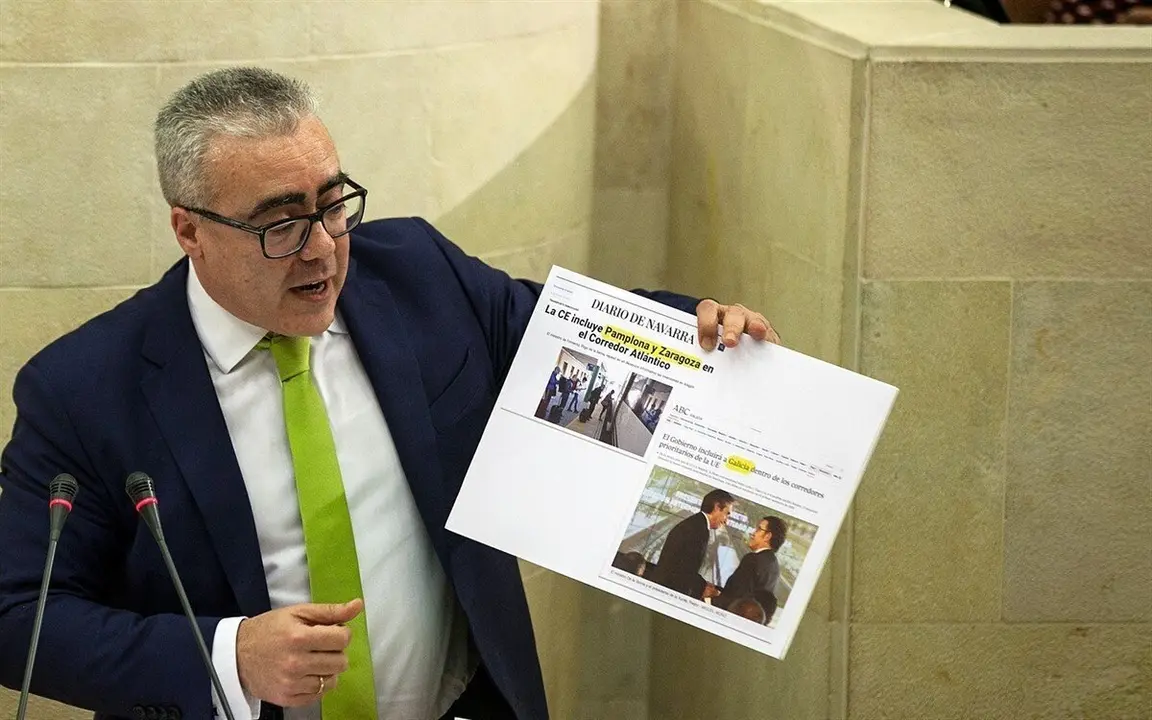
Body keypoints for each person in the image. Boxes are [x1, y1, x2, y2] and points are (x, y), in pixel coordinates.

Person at [0, 67, 780, 720]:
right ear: (189, 231)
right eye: (281, 224)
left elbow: (573, 338)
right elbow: (16, 615)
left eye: (332, 204)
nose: (322, 248)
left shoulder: (418, 276)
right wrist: (228, 655)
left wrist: (699, 326)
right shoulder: (84, 390)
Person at [646, 489, 734, 600]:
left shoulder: (697, 524)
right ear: (716, 507)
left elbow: (684, 565)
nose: (726, 521)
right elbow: (684, 572)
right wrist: (704, 588)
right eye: (727, 514)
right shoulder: (698, 530)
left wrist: (703, 584)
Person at [715, 516, 786, 615]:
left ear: (767, 536)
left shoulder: (752, 559)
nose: (753, 533)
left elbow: (736, 598)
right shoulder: (774, 565)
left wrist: (709, 600)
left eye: (758, 529)